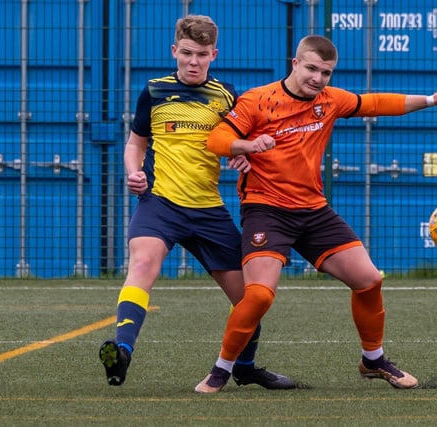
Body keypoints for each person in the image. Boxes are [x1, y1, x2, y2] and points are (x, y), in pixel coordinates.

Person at [194, 34, 437, 393]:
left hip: (314, 211)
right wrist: (246, 145)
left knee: (369, 279)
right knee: (258, 295)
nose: (318, 79)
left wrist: (433, 98)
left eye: (326, 73)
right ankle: (221, 370)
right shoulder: (258, 100)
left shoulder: (329, 101)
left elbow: (376, 103)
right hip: (266, 210)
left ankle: (373, 360)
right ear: (294, 64)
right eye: (311, 69)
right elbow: (215, 140)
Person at [99, 14, 298, 391]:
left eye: (202, 54)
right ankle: (121, 352)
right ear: (174, 51)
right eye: (187, 53)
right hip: (159, 204)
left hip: (208, 210)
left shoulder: (227, 95)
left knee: (250, 298)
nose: (193, 61)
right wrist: (132, 171)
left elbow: (241, 143)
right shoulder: (154, 91)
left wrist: (242, 156)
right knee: (142, 264)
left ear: (213, 55)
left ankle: (245, 367)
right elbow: (135, 143)